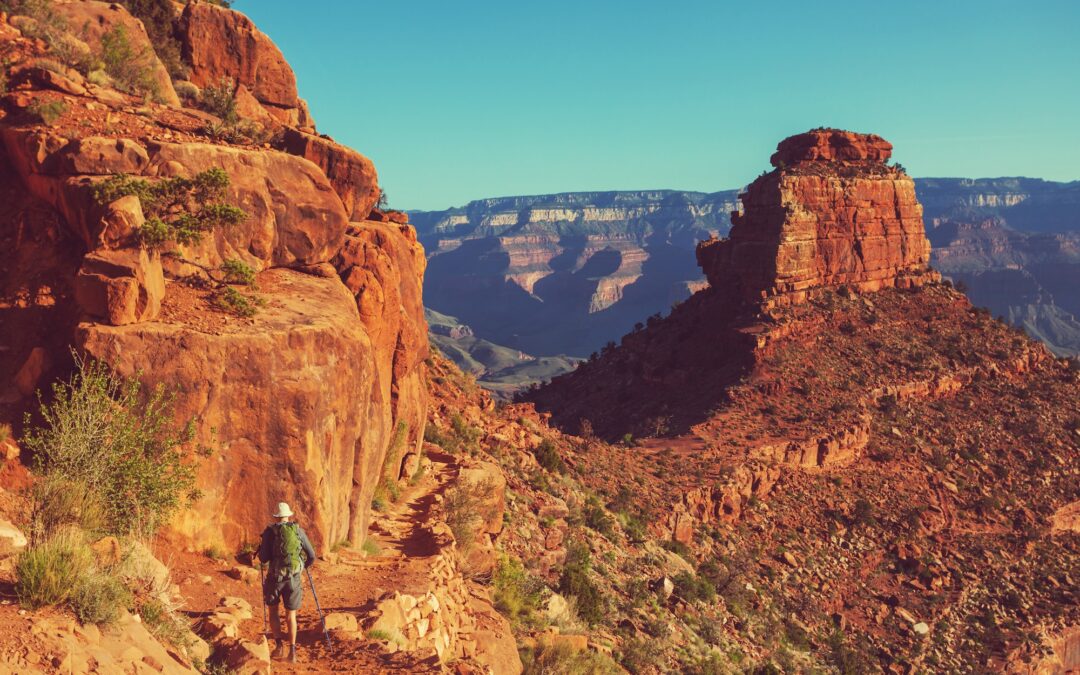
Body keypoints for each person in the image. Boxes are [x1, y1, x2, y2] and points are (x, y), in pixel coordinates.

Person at [257, 502, 316, 663]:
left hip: (274, 579)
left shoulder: (270, 532)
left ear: (276, 517)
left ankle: (278, 647)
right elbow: (311, 556)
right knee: (291, 615)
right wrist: (301, 568)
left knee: (273, 612)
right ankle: (293, 652)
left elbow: (263, 559)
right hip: (293, 579)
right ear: (289, 515)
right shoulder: (298, 531)